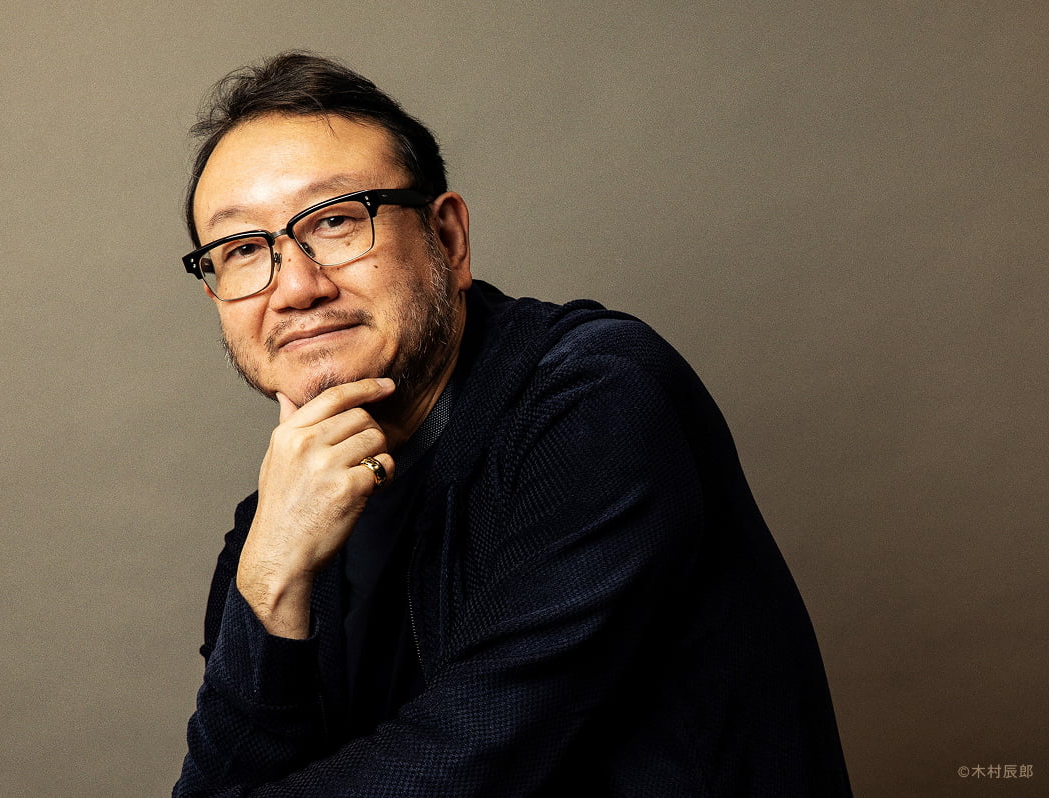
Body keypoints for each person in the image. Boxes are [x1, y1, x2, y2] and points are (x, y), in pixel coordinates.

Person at [172, 51, 852, 797]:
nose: (296, 287)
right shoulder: (282, 515)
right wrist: (269, 577)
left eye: (336, 221)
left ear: (449, 239)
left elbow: (469, 764)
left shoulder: (597, 397)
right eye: (243, 250)